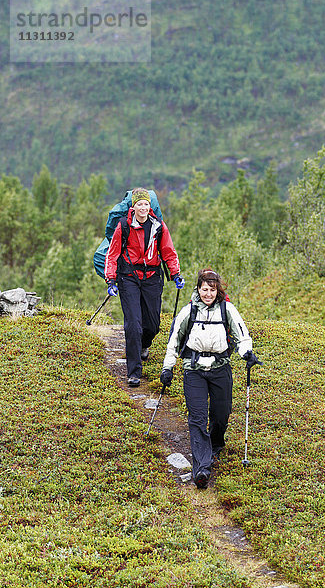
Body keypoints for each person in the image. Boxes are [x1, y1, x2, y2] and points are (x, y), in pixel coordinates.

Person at [160, 268, 261, 489]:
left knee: (221, 414)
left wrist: (247, 353)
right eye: (204, 289)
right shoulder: (188, 312)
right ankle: (202, 469)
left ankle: (215, 444)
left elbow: (242, 334)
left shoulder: (228, 309)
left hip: (220, 368)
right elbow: (174, 340)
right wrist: (168, 368)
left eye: (212, 290)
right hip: (193, 370)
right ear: (198, 289)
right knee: (197, 418)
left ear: (218, 290)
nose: (208, 294)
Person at [105, 188, 184, 387]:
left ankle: (144, 345)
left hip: (152, 277)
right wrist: (111, 280)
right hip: (128, 277)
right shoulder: (123, 226)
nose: (143, 207)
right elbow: (113, 254)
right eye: (139, 204)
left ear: (150, 207)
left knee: (152, 324)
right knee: (133, 324)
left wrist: (175, 274)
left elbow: (168, 252)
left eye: (146, 204)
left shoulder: (158, 226)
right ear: (133, 206)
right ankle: (134, 372)